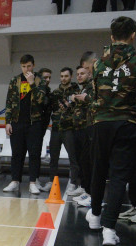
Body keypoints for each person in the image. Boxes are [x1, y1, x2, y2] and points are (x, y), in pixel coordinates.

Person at [85, 16, 136, 246]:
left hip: (102, 122)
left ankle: (95, 216)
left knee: (99, 169)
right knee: (118, 177)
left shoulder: (98, 64)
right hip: (126, 123)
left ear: (111, 36)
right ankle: (109, 229)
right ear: (133, 35)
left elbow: (95, 93)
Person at [3, 54, 47, 194]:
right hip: (17, 122)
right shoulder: (14, 80)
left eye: (28, 66)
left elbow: (41, 100)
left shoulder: (40, 80)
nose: (26, 69)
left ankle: (33, 182)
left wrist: (32, 83)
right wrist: (7, 122)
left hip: (34, 122)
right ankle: (15, 181)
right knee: (16, 153)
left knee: (34, 153)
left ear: (33, 65)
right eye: (23, 66)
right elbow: (9, 102)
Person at [50, 67, 81, 196]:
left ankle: (73, 183)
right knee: (53, 158)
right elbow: (51, 108)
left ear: (71, 76)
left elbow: (79, 110)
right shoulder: (55, 92)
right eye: (62, 76)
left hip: (70, 129)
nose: (63, 78)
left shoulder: (77, 91)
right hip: (56, 128)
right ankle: (52, 182)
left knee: (73, 158)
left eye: (66, 76)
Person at [70, 65, 95, 207]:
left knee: (88, 162)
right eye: (78, 74)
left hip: (88, 128)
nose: (79, 76)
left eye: (82, 74)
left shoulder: (91, 88)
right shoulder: (81, 89)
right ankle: (86, 190)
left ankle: (91, 193)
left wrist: (85, 98)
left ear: (89, 75)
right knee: (81, 161)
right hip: (78, 128)